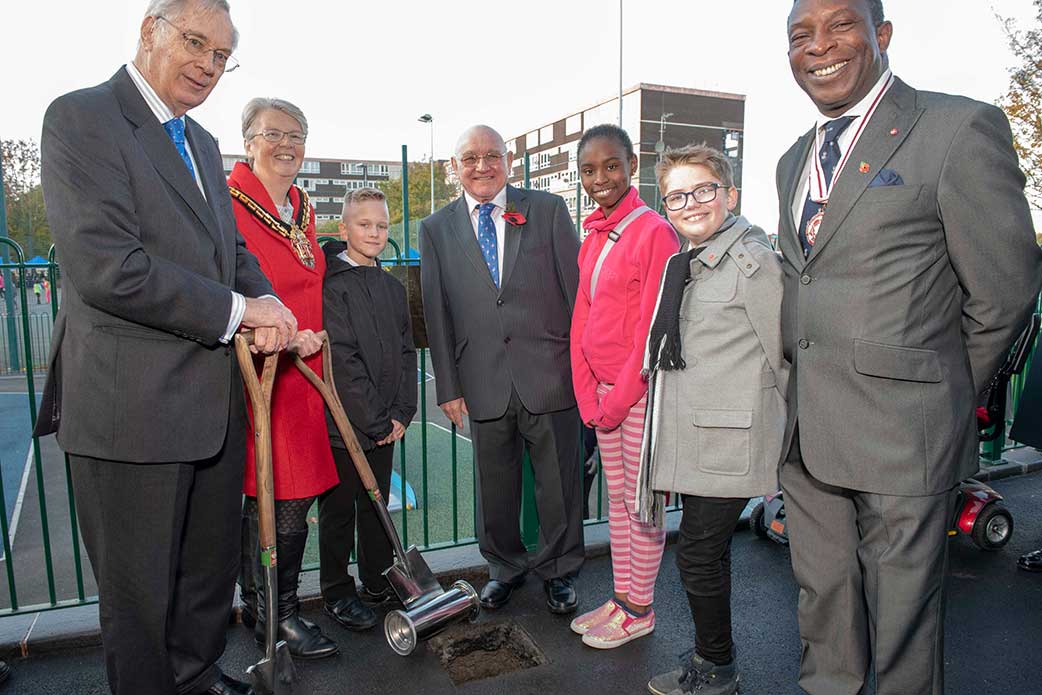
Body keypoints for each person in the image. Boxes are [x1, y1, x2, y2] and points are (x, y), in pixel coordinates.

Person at [776, 1, 1042, 693]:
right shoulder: (791, 161)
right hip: (808, 438)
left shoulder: (957, 129)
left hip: (903, 437)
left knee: (903, 630)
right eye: (801, 34)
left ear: (881, 35)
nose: (819, 46)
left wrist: (937, 395)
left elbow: (1006, 290)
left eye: (839, 26)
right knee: (823, 614)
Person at [34, 1, 298, 693]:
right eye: (195, 42)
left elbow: (230, 249)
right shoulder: (81, 118)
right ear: (148, 31)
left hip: (209, 406)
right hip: (130, 414)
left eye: (222, 55)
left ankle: (195, 673)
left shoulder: (205, 144)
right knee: (140, 600)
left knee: (204, 580)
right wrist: (242, 310)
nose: (208, 64)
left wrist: (270, 303)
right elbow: (108, 268)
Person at [419, 124, 584, 614]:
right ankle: (505, 569)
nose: (482, 166)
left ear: (508, 161)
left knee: (559, 486)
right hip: (481, 380)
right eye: (470, 158)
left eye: (492, 155)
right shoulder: (435, 229)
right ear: (455, 169)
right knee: (495, 490)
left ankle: (558, 571)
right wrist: (447, 386)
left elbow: (577, 295)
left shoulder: (548, 210)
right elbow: (436, 313)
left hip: (551, 376)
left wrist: (584, 370)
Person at [640, 144, 786, 695]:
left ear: (729, 195)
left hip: (728, 446)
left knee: (699, 556)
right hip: (702, 441)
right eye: (676, 195)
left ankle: (716, 667)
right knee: (706, 554)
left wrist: (794, 448)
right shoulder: (693, 260)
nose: (689, 203)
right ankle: (712, 655)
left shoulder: (751, 261)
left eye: (703, 190)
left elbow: (786, 355)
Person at [227, 97, 339, 659]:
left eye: (298, 135)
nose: (288, 145)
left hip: (305, 372)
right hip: (262, 372)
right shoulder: (228, 202)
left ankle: (269, 605)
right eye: (274, 134)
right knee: (273, 499)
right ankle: (276, 612)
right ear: (248, 141)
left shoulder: (301, 206)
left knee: (290, 499)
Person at [567, 124, 678, 648]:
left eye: (611, 166)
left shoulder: (653, 230)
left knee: (642, 506)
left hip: (636, 397)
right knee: (616, 503)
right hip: (605, 396)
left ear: (632, 165)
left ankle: (641, 608)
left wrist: (615, 399)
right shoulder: (592, 232)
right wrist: (588, 392)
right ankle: (621, 598)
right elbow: (582, 316)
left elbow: (652, 330)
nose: (600, 178)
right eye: (589, 170)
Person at [318, 187, 417, 630]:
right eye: (364, 224)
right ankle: (337, 592)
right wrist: (375, 420)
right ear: (344, 229)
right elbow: (343, 360)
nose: (374, 233)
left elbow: (405, 351)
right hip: (345, 427)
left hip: (386, 424)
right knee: (339, 512)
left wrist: (401, 413)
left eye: (381, 225)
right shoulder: (332, 287)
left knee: (377, 509)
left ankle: (376, 581)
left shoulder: (392, 287)